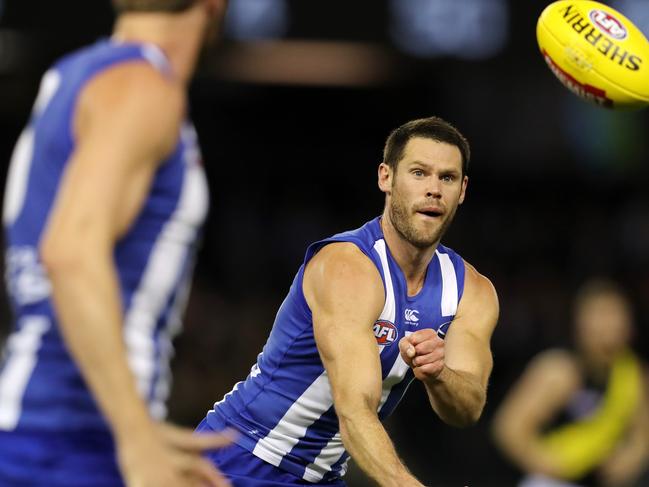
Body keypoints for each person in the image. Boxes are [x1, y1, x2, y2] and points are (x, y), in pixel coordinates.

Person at [0, 1, 232, 486]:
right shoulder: (143, 88)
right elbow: (71, 254)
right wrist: (134, 435)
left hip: (41, 428)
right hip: (69, 442)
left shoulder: (78, 74)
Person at [196, 116, 500, 486]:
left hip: (324, 477)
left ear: (463, 190)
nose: (433, 189)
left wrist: (440, 375)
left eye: (447, 178)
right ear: (385, 178)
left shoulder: (473, 291)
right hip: (239, 461)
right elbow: (354, 411)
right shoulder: (347, 268)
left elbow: (467, 409)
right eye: (419, 173)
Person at [492, 279, 649, 487]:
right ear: (580, 323)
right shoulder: (559, 370)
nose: (609, 326)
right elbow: (508, 429)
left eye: (615, 315)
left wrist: (630, 458)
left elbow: (642, 432)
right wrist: (548, 464)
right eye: (600, 316)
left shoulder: (633, 373)